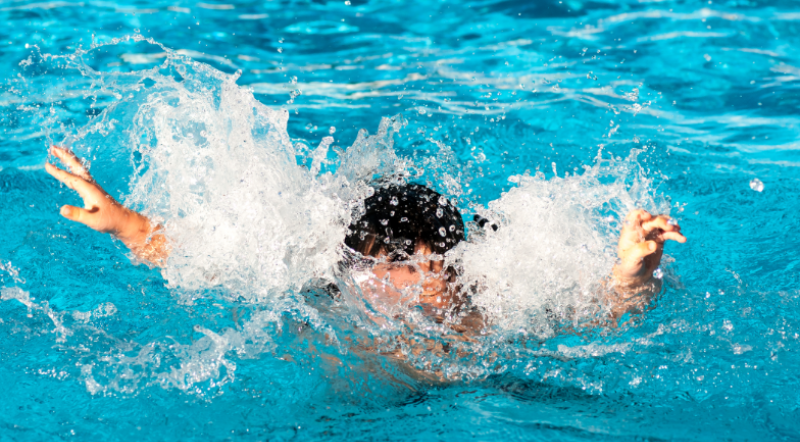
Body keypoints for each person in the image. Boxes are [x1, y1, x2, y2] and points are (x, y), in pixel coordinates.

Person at [44, 145, 687, 325]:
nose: (429, 284)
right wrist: (124, 222)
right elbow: (210, 260)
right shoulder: (326, 280)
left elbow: (599, 314)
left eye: (436, 266)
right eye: (405, 267)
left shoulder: (485, 299)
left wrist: (633, 270)